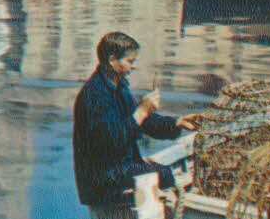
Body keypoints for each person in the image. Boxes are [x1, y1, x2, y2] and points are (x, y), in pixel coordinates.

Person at [73, 31, 195, 207]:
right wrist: (142, 110)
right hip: (101, 180)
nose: (133, 66)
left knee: (163, 173)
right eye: (130, 61)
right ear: (112, 60)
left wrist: (176, 123)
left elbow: (145, 123)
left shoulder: (119, 86)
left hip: (118, 168)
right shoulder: (94, 95)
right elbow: (112, 141)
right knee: (165, 175)